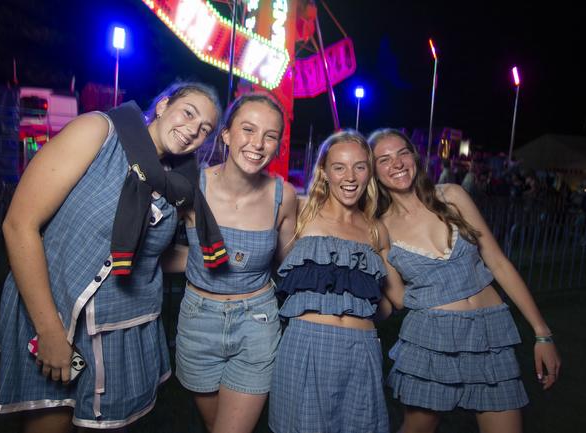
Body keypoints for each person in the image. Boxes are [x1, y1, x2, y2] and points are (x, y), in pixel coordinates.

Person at [0, 81, 222, 431]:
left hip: (118, 326)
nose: (193, 130)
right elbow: (19, 224)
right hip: (55, 310)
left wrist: (227, 262)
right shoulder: (100, 131)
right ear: (162, 105)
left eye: (205, 129)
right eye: (188, 113)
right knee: (48, 424)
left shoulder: (177, 184)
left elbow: (145, 256)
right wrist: (50, 331)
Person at [369, 128, 561, 433]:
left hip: (491, 335)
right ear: (375, 173)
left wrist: (542, 333)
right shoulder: (380, 228)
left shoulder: (453, 196)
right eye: (384, 159)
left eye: (402, 153)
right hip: (432, 342)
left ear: (414, 157)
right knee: (417, 428)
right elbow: (401, 299)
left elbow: (497, 262)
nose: (397, 163)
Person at [175, 93, 297, 433]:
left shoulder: (282, 196)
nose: (257, 144)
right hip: (198, 321)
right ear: (226, 135)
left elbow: (288, 267)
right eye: (247, 130)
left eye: (270, 136)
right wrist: (199, 260)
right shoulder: (192, 186)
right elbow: (158, 252)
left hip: (256, 322)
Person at [268, 130, 403, 433]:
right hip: (306, 344)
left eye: (360, 166)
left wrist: (359, 304)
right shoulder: (300, 212)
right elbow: (270, 261)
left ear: (370, 172)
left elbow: (397, 301)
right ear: (324, 173)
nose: (350, 176)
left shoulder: (376, 229)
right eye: (339, 167)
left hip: (362, 348)